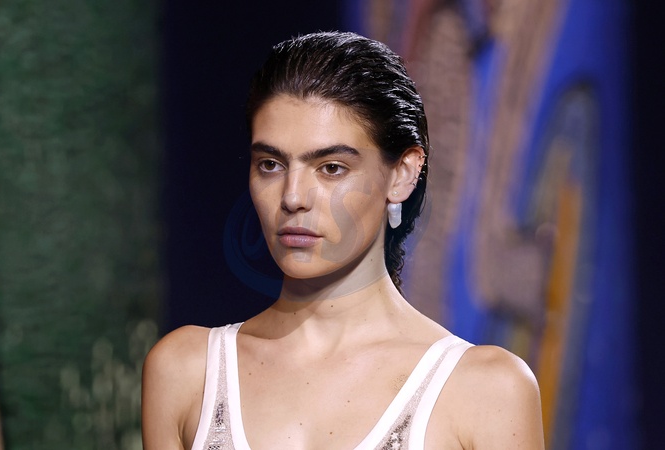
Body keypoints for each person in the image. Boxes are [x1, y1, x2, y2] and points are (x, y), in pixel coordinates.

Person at [142, 31, 544, 450]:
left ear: (403, 173)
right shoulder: (187, 372)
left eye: (331, 168)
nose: (293, 197)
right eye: (271, 164)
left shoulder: (484, 390)